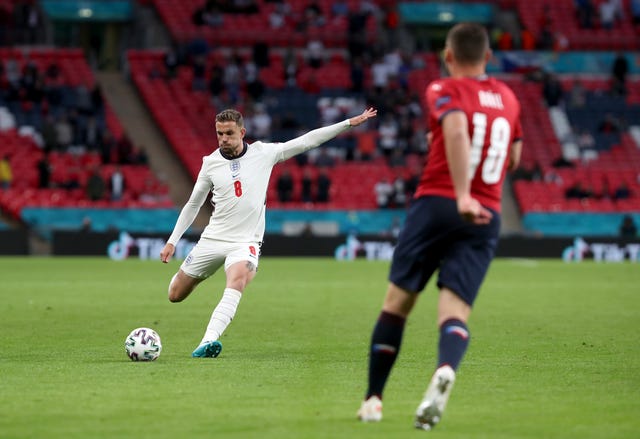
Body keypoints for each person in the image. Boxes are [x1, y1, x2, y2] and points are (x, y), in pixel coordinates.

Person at [357, 23, 523, 430]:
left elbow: (454, 130)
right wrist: (480, 190)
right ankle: (445, 367)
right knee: (455, 311)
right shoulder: (508, 98)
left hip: (437, 203)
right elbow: (514, 158)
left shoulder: (442, 89)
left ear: (448, 57)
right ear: (488, 57)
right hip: (486, 215)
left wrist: (462, 193)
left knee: (397, 304)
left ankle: (374, 400)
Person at [160, 107, 377, 358]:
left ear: (242, 132)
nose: (223, 139)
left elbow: (307, 141)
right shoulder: (210, 164)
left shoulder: (263, 153)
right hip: (213, 238)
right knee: (175, 294)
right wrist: (172, 241)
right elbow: (193, 204)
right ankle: (199, 276)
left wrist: (349, 123)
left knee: (238, 278)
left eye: (229, 133)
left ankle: (208, 341)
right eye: (219, 134)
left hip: (246, 241)